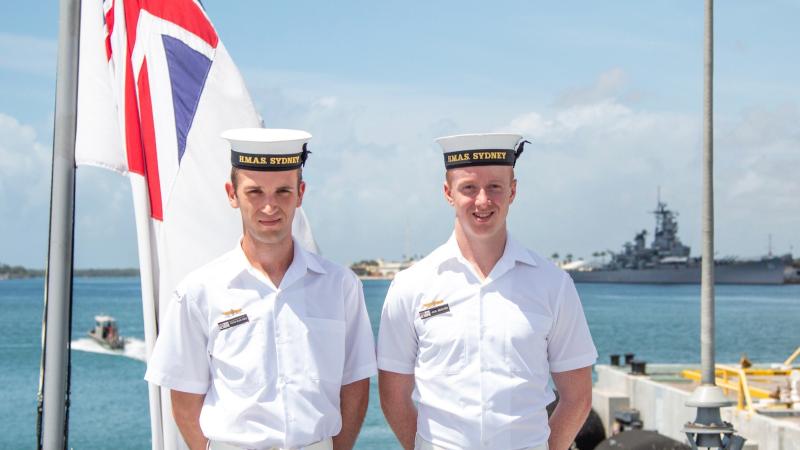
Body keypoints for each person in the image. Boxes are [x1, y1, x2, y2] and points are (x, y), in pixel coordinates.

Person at [145, 128, 377, 450]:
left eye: (283, 191)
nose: (270, 207)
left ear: (301, 193)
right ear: (232, 194)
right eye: (255, 193)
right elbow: (184, 397)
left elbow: (355, 384)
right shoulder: (199, 292)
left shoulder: (341, 286)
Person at [377, 133, 597, 450]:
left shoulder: (553, 284)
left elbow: (578, 397)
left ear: (513, 191)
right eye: (469, 187)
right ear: (448, 193)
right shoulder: (412, 285)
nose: (483, 200)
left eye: (495, 186)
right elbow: (392, 395)